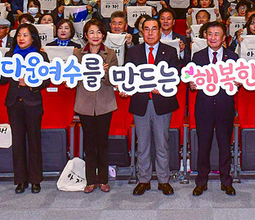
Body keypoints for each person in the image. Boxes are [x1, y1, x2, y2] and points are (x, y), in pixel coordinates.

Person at [125, 17, 180, 196]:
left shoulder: (170, 51)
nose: (150, 33)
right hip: (141, 102)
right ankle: (144, 179)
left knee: (162, 142)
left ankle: (164, 180)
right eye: (146, 29)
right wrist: (126, 87)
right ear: (142, 31)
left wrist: (164, 88)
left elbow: (176, 75)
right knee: (143, 144)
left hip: (162, 103)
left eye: (154, 29)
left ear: (159, 31)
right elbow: (128, 75)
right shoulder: (133, 52)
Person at [190, 21, 237, 196]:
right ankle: (201, 181)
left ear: (224, 37)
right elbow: (190, 77)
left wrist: (238, 82)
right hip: (204, 107)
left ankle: (226, 181)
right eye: (210, 34)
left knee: (225, 145)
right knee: (204, 145)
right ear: (205, 36)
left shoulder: (233, 57)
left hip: (225, 106)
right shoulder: (197, 56)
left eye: (217, 34)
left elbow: (238, 81)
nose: (213, 37)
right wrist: (192, 84)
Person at [73, 19, 118, 193]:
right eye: (91, 32)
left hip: (105, 103)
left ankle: (104, 179)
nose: (95, 36)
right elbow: (73, 79)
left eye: (98, 32)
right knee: (89, 144)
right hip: (84, 103)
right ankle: (90, 180)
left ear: (103, 35)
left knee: (103, 143)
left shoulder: (110, 54)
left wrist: (106, 71)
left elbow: (112, 81)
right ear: (85, 35)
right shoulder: (77, 54)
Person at [6, 23, 45, 194]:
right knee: (18, 142)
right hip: (14, 102)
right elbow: (2, 78)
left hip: (33, 102)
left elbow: (47, 80)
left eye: (25, 35)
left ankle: (35, 180)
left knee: (34, 141)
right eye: (19, 35)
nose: (21, 38)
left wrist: (30, 83)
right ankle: (20, 180)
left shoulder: (40, 56)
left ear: (33, 38)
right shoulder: (9, 55)